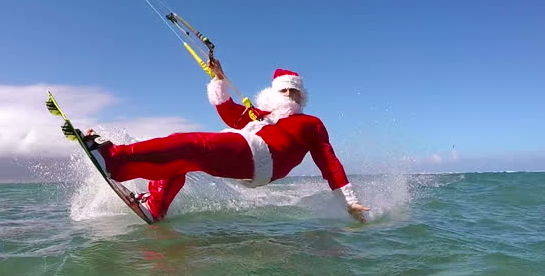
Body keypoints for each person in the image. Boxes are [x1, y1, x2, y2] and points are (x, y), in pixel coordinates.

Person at [84, 58, 370, 223]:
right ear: (274, 93)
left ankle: (114, 159)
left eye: (294, 93)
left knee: (192, 144)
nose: (290, 97)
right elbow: (228, 112)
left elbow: (328, 162)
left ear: (301, 97)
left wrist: (350, 202)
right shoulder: (260, 116)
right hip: (247, 158)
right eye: (285, 92)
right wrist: (218, 79)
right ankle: (156, 207)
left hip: (260, 158)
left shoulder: (310, 123)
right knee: (185, 157)